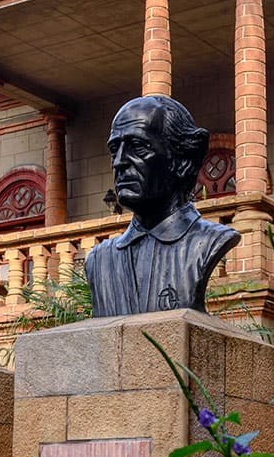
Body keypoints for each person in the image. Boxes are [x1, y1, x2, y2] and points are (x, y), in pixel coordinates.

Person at [84, 95, 239, 316]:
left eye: (138, 147)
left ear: (184, 160)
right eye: (115, 149)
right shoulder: (99, 261)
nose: (119, 162)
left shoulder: (209, 241)